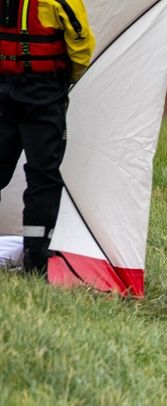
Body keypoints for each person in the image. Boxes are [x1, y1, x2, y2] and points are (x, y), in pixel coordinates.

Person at [0, 0, 92, 276]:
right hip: (44, 93)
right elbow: (81, 44)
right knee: (43, 177)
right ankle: (36, 259)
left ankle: (35, 256)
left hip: (4, 89)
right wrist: (66, 79)